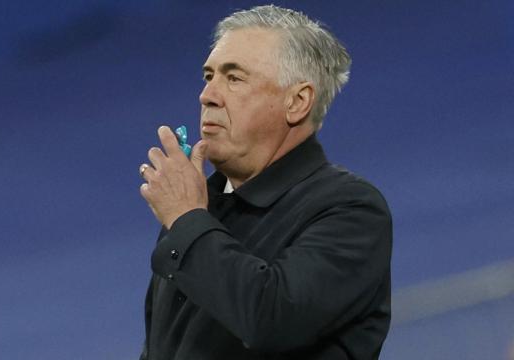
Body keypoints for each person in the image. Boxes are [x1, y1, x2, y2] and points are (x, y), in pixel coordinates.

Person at [138, 5, 392, 360]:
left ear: (297, 102)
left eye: (234, 78)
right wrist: (188, 218)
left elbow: (271, 319)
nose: (207, 95)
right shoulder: (199, 210)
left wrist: (186, 220)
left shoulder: (350, 210)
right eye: (208, 76)